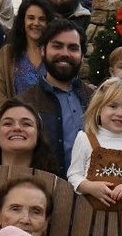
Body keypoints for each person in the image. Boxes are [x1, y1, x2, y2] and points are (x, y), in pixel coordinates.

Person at [20, 19, 96, 174]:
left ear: (82, 55)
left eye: (73, 48)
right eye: (57, 46)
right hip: (44, 191)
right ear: (42, 50)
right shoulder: (25, 104)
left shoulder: (96, 100)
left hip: (92, 193)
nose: (65, 54)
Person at [68, 78, 122, 210]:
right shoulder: (84, 139)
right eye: (113, 106)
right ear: (99, 109)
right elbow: (74, 175)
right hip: (86, 215)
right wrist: (89, 187)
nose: (120, 113)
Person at [0, 0, 55, 107]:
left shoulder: (55, 54)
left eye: (42, 19)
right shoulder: (7, 53)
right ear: (23, 21)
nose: (36, 23)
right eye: (31, 18)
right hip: (17, 121)